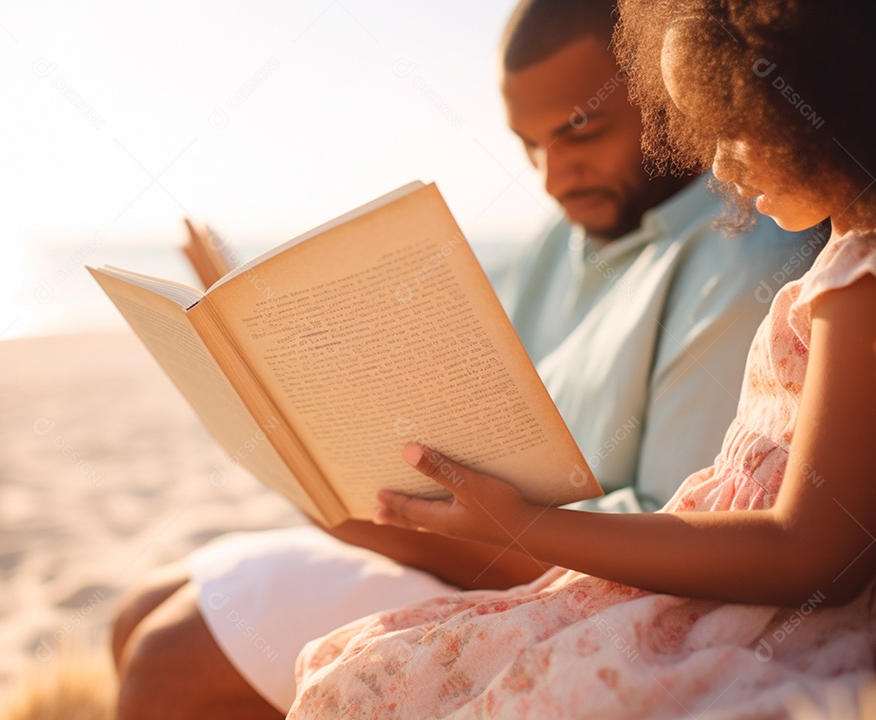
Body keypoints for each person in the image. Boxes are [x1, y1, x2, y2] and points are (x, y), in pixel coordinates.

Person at [110, 1, 822, 717]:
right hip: (463, 547)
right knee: (134, 614)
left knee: (166, 662)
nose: (554, 178)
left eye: (581, 130)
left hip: (566, 587)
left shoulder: (744, 260)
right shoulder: (565, 238)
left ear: (670, 93)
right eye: (530, 146)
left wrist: (383, 526)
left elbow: (679, 543)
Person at [289, 0, 876, 717]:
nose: (718, 164)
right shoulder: (843, 264)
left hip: (750, 616)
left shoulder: (858, 279)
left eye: (740, 127)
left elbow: (813, 553)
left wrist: (525, 523)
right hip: (702, 588)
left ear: (826, 102)